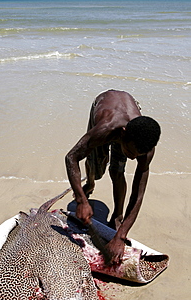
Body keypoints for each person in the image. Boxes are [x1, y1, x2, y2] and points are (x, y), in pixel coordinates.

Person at [65, 89, 161, 264]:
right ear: (123, 134)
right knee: (97, 166)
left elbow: (138, 193)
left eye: (136, 155)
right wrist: (80, 200)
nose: (133, 158)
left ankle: (117, 215)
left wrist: (121, 236)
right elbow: (71, 157)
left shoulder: (145, 149)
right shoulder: (105, 129)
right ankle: (90, 183)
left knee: (117, 171)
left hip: (129, 117)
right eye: (130, 152)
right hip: (104, 107)